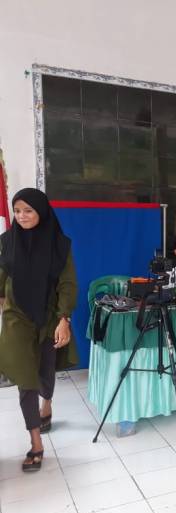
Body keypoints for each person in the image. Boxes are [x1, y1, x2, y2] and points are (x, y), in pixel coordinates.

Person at [0, 188, 77, 472]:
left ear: (42, 212)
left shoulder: (60, 244)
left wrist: (64, 318)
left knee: (46, 371)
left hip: (48, 317)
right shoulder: (7, 241)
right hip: (16, 319)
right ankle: (36, 442)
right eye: (17, 211)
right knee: (25, 379)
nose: (21, 216)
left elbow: (67, 283)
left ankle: (48, 404)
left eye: (28, 210)